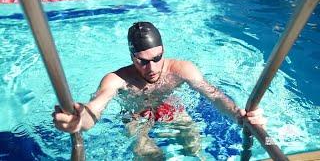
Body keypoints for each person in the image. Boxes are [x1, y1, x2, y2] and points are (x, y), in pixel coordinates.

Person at [52, 22, 266, 159]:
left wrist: (240, 115)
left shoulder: (182, 69)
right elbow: (96, 107)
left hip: (173, 110)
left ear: (163, 51)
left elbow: (213, 95)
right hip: (135, 118)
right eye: (143, 61)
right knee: (149, 155)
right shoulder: (117, 79)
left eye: (157, 58)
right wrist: (79, 121)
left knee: (194, 148)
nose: (152, 68)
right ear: (132, 57)